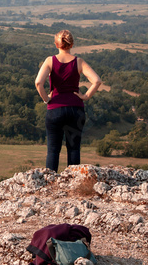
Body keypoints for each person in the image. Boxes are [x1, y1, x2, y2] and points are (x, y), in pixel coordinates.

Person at [34, 29, 102, 172]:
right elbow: (96, 81)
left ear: (56, 44)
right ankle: (73, 181)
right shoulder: (79, 62)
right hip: (76, 109)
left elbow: (38, 83)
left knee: (53, 150)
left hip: (55, 110)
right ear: (72, 44)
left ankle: (50, 182)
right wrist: (86, 96)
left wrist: (47, 99)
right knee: (74, 148)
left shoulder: (50, 61)